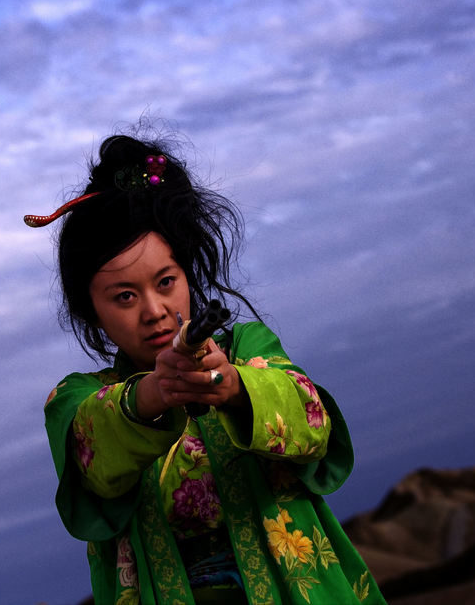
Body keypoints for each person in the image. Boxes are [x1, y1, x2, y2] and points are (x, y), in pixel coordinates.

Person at [26, 133, 386, 604]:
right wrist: (153, 395)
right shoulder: (75, 400)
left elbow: (311, 423)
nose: (154, 310)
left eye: (166, 282)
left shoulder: (248, 349)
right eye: (125, 297)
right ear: (91, 311)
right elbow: (95, 455)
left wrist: (237, 387)